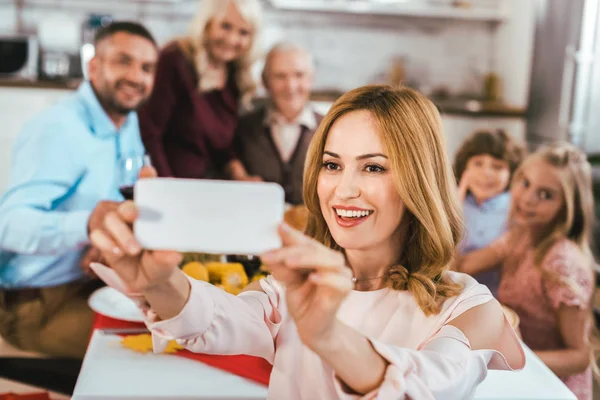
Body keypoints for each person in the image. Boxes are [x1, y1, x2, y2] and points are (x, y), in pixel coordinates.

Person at [90, 85, 525, 399]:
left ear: (420, 181)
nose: (344, 190)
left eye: (373, 168)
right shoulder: (294, 284)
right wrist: (159, 282)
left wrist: (328, 335)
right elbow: (219, 319)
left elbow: (430, 387)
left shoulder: (469, 305)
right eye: (332, 166)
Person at [0, 22, 158, 359]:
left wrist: (103, 242)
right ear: (94, 66)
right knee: (154, 349)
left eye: (146, 68)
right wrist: (87, 226)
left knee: (184, 321)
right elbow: (8, 226)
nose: (136, 76)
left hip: (91, 281)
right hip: (35, 302)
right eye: (123, 61)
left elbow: (118, 198)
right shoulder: (58, 129)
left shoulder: (125, 120)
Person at [456, 143, 596, 400]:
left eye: (545, 195)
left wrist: (512, 358)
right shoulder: (520, 236)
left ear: (567, 206)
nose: (527, 198)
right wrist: (455, 203)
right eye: (525, 184)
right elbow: (462, 266)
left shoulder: (561, 263)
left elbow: (579, 357)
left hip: (550, 383)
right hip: (516, 363)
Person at [138, 0, 263, 180]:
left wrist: (242, 175)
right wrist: (166, 184)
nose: (232, 39)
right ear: (207, 23)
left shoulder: (235, 75)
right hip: (172, 185)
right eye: (225, 26)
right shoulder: (175, 59)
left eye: (243, 32)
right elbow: (150, 131)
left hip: (208, 188)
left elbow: (221, 145)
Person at [226, 42, 322, 204]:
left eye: (299, 75)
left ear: (311, 79)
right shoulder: (243, 128)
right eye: (280, 76)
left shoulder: (333, 129)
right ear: (265, 82)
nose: (290, 86)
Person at [453, 129, 526, 295]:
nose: (486, 173)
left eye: (497, 167)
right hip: (455, 297)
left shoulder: (517, 209)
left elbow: (454, 270)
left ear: (512, 174)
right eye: (478, 163)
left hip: (498, 300)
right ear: (465, 167)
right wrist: (455, 204)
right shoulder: (453, 203)